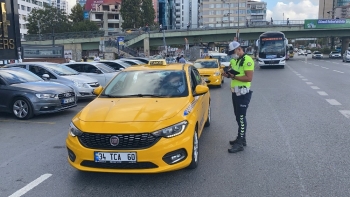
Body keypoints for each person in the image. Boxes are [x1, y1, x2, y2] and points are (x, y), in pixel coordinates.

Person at [223, 41, 254, 153]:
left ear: (239, 49)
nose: (232, 54)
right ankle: (242, 139)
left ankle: (240, 143)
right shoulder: (234, 60)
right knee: (237, 117)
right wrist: (227, 75)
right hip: (234, 93)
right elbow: (231, 75)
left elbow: (249, 78)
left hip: (243, 93)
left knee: (241, 117)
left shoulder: (248, 60)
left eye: (233, 52)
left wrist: (234, 76)